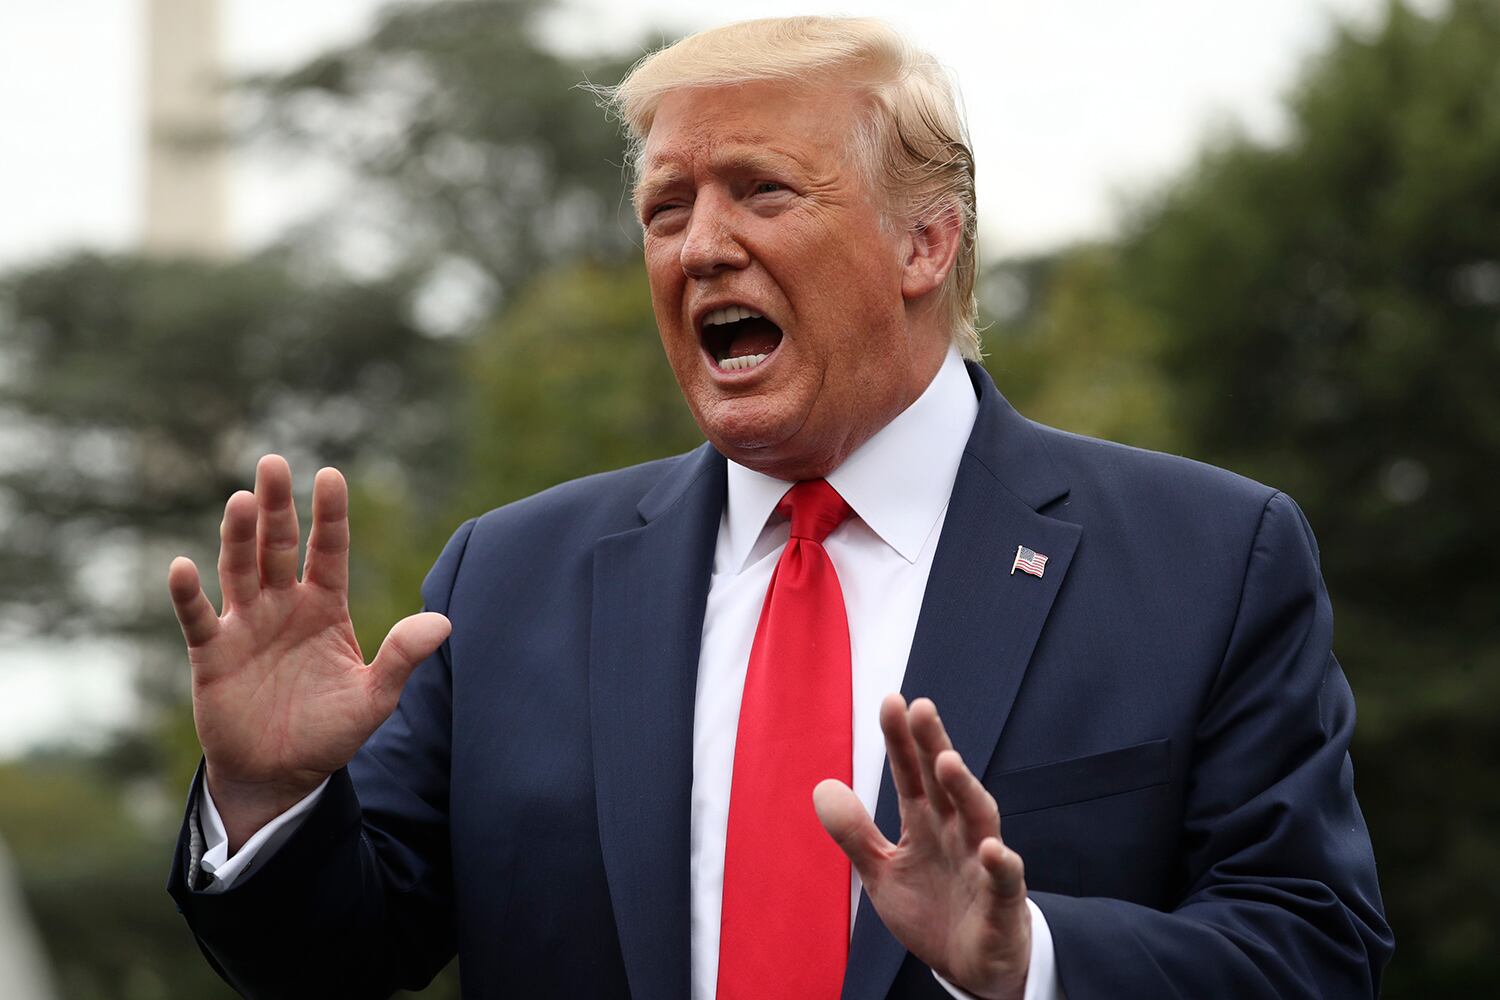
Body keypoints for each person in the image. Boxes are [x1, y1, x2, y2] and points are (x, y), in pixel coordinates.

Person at [165, 16, 1392, 1000]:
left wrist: (1035, 965)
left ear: (926, 243)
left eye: (759, 191)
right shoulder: (508, 577)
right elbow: (333, 962)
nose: (699, 246)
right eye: (666, 207)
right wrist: (269, 803)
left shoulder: (1207, 558)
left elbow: (1314, 948)